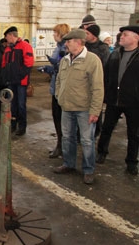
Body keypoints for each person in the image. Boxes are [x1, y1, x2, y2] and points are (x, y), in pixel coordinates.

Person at [54, 29, 104, 185]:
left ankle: (88, 170)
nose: (66, 44)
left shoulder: (92, 60)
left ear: (78, 42)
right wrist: (59, 95)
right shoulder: (65, 60)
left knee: (87, 140)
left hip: (84, 109)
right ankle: (69, 164)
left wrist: (95, 111)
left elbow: (97, 88)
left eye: (68, 41)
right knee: (67, 137)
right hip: (66, 107)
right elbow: (59, 80)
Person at [96, 25, 139, 175]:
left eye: (125, 34)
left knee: (134, 133)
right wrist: (106, 94)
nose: (121, 36)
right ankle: (101, 153)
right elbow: (106, 75)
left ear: (136, 38)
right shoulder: (115, 54)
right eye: (121, 34)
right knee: (107, 128)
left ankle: (132, 162)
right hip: (114, 100)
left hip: (133, 102)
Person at [38, 23, 71, 158]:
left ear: (60, 33)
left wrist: (50, 68)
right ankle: (60, 146)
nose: (53, 35)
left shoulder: (67, 48)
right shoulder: (58, 48)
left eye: (55, 33)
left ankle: (64, 148)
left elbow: (63, 68)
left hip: (63, 90)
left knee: (64, 120)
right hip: (55, 88)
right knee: (56, 118)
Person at [1, 26, 34, 136]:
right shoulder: (8, 49)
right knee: (12, 105)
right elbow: (4, 64)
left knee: (21, 105)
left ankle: (22, 127)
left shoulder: (25, 46)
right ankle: (13, 124)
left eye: (6, 36)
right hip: (11, 82)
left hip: (21, 82)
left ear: (11, 35)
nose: (6, 39)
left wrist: (19, 76)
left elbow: (29, 63)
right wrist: (5, 77)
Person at [84, 24, 110, 138]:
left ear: (94, 35)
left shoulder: (103, 48)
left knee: (95, 108)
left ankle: (96, 130)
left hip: (96, 82)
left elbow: (105, 67)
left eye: (87, 33)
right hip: (84, 83)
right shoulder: (84, 46)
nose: (85, 35)